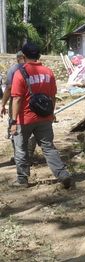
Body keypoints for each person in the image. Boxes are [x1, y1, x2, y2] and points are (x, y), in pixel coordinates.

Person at [10, 42, 72, 189]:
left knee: (21, 148)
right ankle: (62, 175)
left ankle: (22, 180)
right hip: (44, 118)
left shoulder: (20, 73)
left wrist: (13, 121)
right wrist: (51, 113)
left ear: (23, 56)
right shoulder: (48, 72)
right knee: (48, 147)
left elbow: (17, 98)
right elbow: (52, 97)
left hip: (24, 119)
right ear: (39, 56)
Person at [1, 51, 37, 164]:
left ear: (19, 58)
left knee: (15, 126)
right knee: (32, 128)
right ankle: (29, 156)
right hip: (35, 102)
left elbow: (8, 88)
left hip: (17, 101)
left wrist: (3, 104)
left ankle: (19, 157)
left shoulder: (14, 69)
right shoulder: (36, 68)